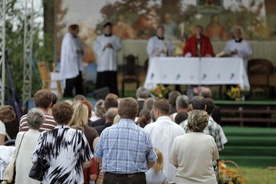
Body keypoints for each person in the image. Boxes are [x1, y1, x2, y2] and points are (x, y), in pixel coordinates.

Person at [94, 97, 157, 184]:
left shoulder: (106, 132)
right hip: (136, 178)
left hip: (111, 178)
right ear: (136, 113)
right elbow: (152, 160)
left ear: (118, 112)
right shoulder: (144, 134)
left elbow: (98, 157)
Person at [32, 102, 93, 183]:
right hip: (72, 180)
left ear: (54, 116)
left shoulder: (45, 135)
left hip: (50, 180)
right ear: (71, 116)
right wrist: (72, 166)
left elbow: (35, 159)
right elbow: (88, 162)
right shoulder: (78, 135)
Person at [170, 110, 219, 184]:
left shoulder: (178, 140)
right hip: (207, 181)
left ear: (189, 122)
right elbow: (214, 158)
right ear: (205, 124)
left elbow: (174, 163)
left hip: (184, 180)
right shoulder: (210, 140)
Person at [144, 99, 184, 184]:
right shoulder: (180, 129)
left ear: (157, 111)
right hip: (174, 175)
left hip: (153, 178)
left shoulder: (148, 128)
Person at [69, 102, 99, 184]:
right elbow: (96, 154)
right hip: (86, 172)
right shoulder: (92, 132)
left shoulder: (65, 130)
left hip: (66, 171)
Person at [13, 108, 45, 184]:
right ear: (42, 123)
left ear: (27, 121)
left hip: (21, 175)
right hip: (36, 177)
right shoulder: (44, 137)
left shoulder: (20, 135)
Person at [94, 22, 122, 95]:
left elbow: (119, 47)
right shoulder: (99, 38)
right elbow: (96, 48)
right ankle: (101, 95)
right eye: (107, 28)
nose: (108, 29)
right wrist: (104, 46)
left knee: (112, 80)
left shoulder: (115, 38)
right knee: (102, 79)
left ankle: (113, 94)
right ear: (104, 29)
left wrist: (112, 46)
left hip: (111, 62)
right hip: (103, 63)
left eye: (110, 28)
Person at [60, 24, 85, 97]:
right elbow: (70, 53)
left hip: (75, 64)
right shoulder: (68, 39)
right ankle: (67, 96)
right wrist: (77, 51)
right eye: (76, 30)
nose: (78, 32)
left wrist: (79, 51)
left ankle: (80, 96)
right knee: (70, 82)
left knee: (78, 82)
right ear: (72, 30)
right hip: (70, 65)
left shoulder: (75, 39)